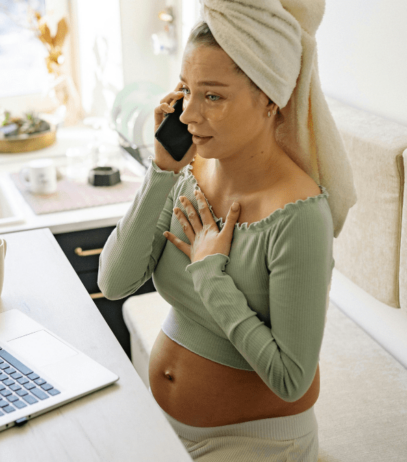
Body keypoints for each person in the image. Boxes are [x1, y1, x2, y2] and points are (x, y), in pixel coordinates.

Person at [98, 9, 339, 462]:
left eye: (212, 96)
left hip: (258, 443)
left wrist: (211, 275)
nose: (188, 114)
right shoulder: (189, 170)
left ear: (271, 98)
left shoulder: (299, 216)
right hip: (166, 428)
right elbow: (113, 282)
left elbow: (292, 379)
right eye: (186, 90)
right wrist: (161, 171)